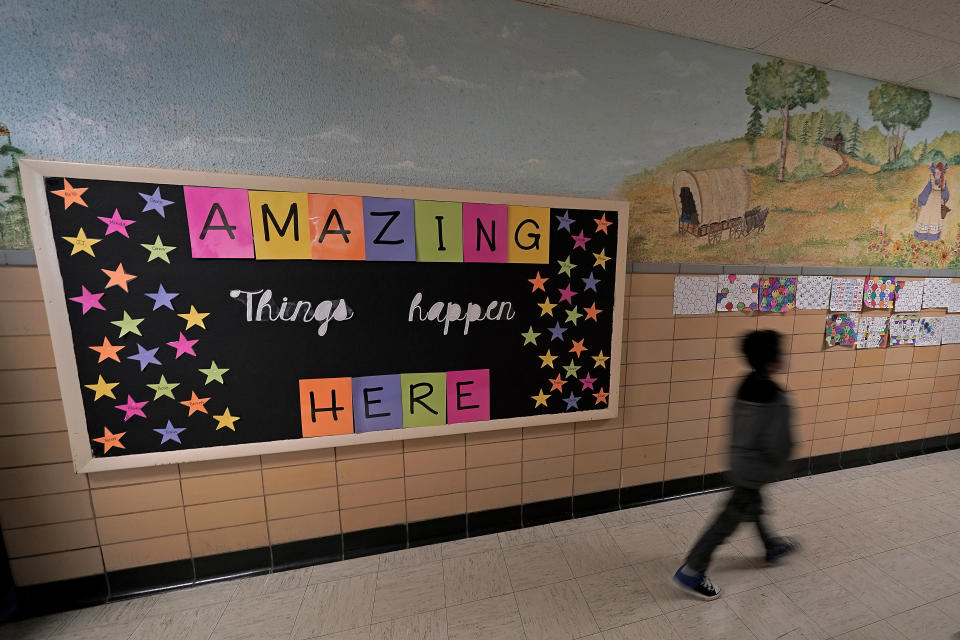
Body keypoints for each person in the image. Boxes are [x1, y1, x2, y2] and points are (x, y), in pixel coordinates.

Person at [673, 329, 798, 599]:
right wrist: (781, 462)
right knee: (728, 520)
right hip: (755, 468)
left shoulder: (744, 385)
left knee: (753, 503)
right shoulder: (776, 398)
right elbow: (779, 443)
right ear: (772, 360)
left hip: (739, 461)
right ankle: (692, 571)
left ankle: (771, 545)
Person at [914, 162, 950, 241]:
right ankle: (922, 236)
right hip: (929, 202)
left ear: (941, 173)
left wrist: (943, 200)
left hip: (937, 204)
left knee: (934, 219)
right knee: (926, 217)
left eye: (938, 172)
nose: (936, 174)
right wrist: (921, 200)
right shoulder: (931, 179)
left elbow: (945, 192)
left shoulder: (943, 181)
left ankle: (932, 237)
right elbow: (926, 190)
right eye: (935, 172)